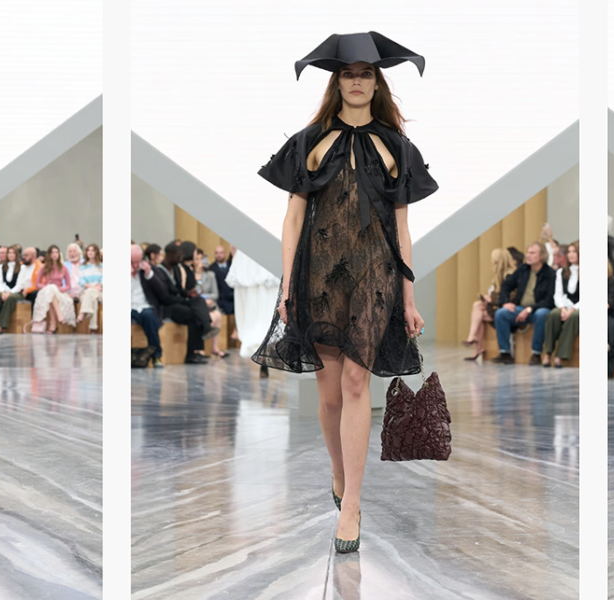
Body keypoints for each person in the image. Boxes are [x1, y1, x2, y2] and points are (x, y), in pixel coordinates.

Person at [251, 32, 435, 554]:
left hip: (376, 274)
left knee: (357, 383)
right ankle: (338, 471)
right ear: (337, 82)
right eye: (349, 74)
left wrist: (408, 298)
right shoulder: (309, 141)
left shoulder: (397, 147)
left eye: (366, 74)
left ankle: (352, 503)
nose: (357, 81)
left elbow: (402, 230)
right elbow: (293, 219)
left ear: (377, 83)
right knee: (329, 394)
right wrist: (287, 283)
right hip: (320, 275)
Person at [143, 243, 209, 364]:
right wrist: (184, 300)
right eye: (178, 256)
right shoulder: (160, 271)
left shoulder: (176, 269)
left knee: (199, 300)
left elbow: (177, 289)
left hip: (176, 301)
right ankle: (191, 353)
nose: (180, 259)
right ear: (170, 255)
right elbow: (165, 297)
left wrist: (187, 293)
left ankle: (206, 326)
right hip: (167, 307)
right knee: (193, 314)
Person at [492, 242, 556, 365]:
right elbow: (506, 285)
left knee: (542, 314)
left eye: (532, 253)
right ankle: (505, 353)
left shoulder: (550, 273)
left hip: (539, 308)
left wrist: (530, 309)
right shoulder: (523, 269)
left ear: (542, 255)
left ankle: (536, 353)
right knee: (501, 313)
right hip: (520, 308)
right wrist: (505, 302)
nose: (528, 255)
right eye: (527, 252)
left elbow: (549, 300)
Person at [225, 248, 282, 378]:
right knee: (265, 322)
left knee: (261, 322)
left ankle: (264, 359)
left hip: (258, 287)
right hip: (262, 286)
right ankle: (264, 359)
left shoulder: (244, 252)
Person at [462, 248, 518, 361]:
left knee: (478, 309)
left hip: (508, 309)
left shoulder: (511, 276)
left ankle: (474, 341)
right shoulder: (497, 276)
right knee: (478, 307)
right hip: (498, 306)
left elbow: (510, 297)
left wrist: (491, 299)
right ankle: (476, 345)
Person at [543, 242, 580, 368]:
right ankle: (548, 352)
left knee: (574, 316)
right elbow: (558, 294)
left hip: (580, 307)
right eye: (569, 252)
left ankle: (560, 355)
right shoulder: (561, 272)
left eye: (574, 251)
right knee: (553, 314)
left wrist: (572, 310)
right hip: (566, 305)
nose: (571, 254)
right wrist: (563, 309)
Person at [30, 245, 76, 334]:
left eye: (56, 252)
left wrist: (58, 289)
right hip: (46, 291)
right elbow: (37, 284)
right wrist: (47, 286)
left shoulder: (64, 268)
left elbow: (68, 286)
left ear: (59, 254)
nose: (54, 254)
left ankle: (53, 326)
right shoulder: (43, 267)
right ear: (49, 254)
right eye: (52, 253)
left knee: (53, 291)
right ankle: (59, 317)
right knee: (51, 289)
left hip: (59, 292)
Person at [131, 244, 162, 361]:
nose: (135, 265)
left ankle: (156, 355)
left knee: (149, 316)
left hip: (145, 306)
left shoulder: (148, 269)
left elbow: (162, 291)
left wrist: (149, 275)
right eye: (131, 262)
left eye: (137, 262)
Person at [0, 245, 26, 333]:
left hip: (16, 292)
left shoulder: (22, 267)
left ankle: (2, 325)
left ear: (16, 255)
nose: (11, 255)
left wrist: (9, 293)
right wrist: (2, 292)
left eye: (13, 253)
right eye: (9, 253)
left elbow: (19, 285)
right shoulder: (1, 267)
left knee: (10, 298)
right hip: (4, 291)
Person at [77, 243, 104, 333]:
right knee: (93, 299)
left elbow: (103, 280)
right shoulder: (82, 267)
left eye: (93, 250)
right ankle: (93, 328)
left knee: (91, 293)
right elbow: (81, 281)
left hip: (100, 292)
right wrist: (92, 287)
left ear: (96, 252)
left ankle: (83, 313)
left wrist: (99, 286)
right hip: (86, 292)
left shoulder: (102, 266)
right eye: (88, 250)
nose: (90, 252)